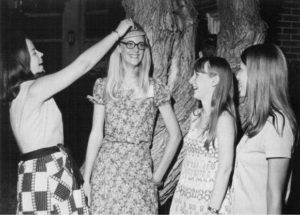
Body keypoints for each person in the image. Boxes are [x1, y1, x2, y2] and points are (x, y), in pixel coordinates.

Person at [0, 19, 134, 214]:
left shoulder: (16, 97)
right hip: (48, 171)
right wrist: (116, 34)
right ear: (20, 60)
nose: (42, 54)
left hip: (31, 173)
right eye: (35, 52)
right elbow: (83, 64)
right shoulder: (34, 89)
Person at [83, 22, 182, 214]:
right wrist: (87, 178)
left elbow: (176, 135)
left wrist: (158, 176)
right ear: (119, 48)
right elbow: (96, 133)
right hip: (107, 173)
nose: (135, 49)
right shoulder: (104, 86)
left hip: (140, 172)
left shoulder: (155, 87)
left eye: (140, 44)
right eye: (129, 43)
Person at [231, 44, 299, 214]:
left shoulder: (278, 126)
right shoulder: (260, 121)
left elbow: (274, 195)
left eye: (241, 69)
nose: (237, 76)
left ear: (258, 74)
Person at [170, 57, 237, 214]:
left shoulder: (224, 119)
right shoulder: (196, 116)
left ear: (214, 80)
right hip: (185, 197)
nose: (191, 80)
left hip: (209, 202)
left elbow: (225, 168)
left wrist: (212, 209)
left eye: (197, 75)